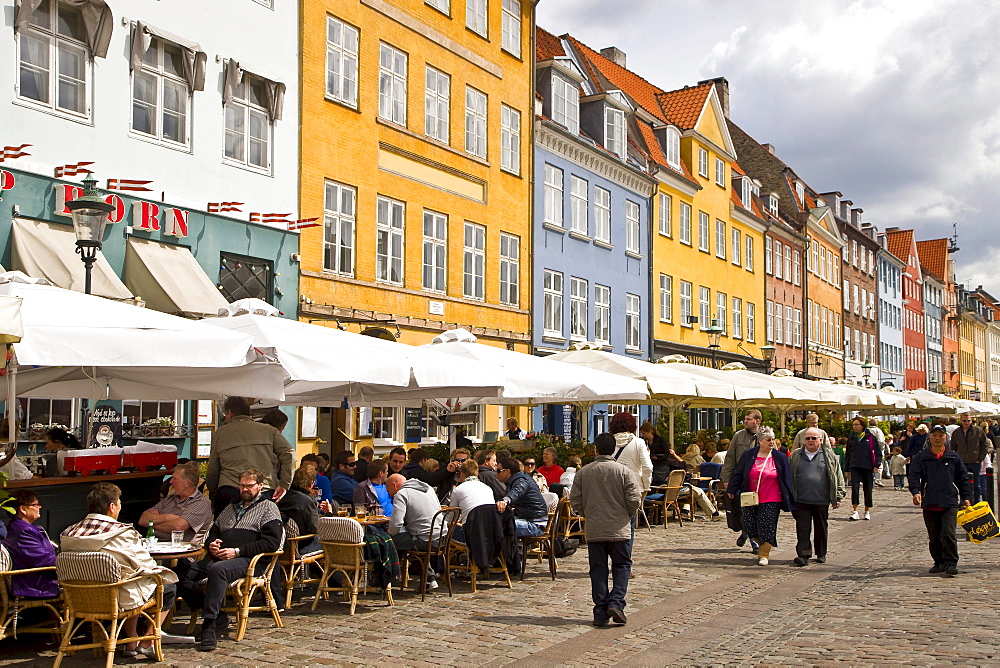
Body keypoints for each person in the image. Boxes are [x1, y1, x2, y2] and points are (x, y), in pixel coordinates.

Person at [61, 483, 178, 658]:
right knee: (166, 585)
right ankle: (148, 641)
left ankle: (131, 641)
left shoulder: (69, 533)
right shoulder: (121, 533)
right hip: (117, 599)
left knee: (130, 577)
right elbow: (146, 565)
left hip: (79, 599)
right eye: (119, 503)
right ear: (112, 507)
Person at [181, 468, 283, 652]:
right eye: (242, 485)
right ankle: (218, 615)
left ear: (260, 486)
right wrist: (212, 544)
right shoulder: (231, 506)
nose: (245, 489)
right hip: (219, 556)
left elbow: (272, 543)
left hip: (249, 561)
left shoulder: (268, 508)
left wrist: (237, 551)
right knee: (182, 572)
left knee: (218, 570)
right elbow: (214, 532)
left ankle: (208, 625)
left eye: (250, 486)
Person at [570, 432, 641, 627]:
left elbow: (575, 500)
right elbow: (634, 499)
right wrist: (627, 514)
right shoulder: (624, 471)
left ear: (596, 449)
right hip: (619, 528)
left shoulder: (584, 472)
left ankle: (600, 610)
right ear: (614, 450)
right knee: (622, 566)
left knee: (598, 569)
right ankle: (616, 602)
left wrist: (588, 512)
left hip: (595, 528)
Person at [207, 396, 293, 515]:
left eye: (225, 415)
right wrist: (284, 484)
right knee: (262, 529)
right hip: (263, 490)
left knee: (225, 530)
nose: (225, 419)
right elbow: (289, 453)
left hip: (231, 490)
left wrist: (214, 494)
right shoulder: (268, 430)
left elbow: (213, 469)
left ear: (230, 413)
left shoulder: (221, 433)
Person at [909, 425, 972, 576]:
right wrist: (916, 492)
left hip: (949, 501)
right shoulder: (921, 457)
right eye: (934, 435)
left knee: (948, 533)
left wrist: (966, 498)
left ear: (945, 437)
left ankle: (951, 562)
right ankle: (939, 562)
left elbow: (963, 478)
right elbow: (913, 476)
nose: (937, 438)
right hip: (930, 501)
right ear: (930, 437)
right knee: (934, 536)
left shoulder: (953, 457)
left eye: (940, 435)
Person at [727, 427, 793, 566]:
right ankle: (762, 543)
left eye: (773, 439)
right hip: (751, 496)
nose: (771, 442)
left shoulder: (779, 457)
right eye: (768, 440)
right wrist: (732, 488)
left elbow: (787, 477)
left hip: (772, 498)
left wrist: (790, 495)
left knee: (767, 526)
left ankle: (764, 554)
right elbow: (739, 472)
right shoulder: (749, 455)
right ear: (760, 441)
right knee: (748, 524)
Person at [789, 428, 845, 566]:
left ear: (821, 440)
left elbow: (837, 475)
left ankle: (821, 553)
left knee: (821, 527)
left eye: (814, 438)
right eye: (808, 438)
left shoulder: (828, 455)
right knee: (802, 528)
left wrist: (838, 495)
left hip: (821, 499)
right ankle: (803, 555)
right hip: (801, 498)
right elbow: (788, 475)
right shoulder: (796, 455)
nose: (810, 441)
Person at [138, 462, 213, 544]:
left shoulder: (200, 503)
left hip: (180, 550)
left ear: (187, 483)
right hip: (154, 544)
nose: (170, 481)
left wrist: (152, 523)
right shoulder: (170, 498)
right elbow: (142, 519)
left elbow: (178, 527)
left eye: (175, 478)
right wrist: (168, 517)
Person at [2, 490, 58, 598]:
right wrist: (67, 563)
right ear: (23, 509)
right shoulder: (23, 531)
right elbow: (42, 559)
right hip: (35, 587)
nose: (39, 507)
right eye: (35, 504)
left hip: (38, 582)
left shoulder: (22, 528)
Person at [721, 410, 762, 549]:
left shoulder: (765, 436)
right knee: (744, 510)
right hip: (742, 481)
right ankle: (753, 540)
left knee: (757, 511)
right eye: (745, 419)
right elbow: (730, 458)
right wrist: (727, 479)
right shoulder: (738, 436)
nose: (745, 421)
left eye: (748, 419)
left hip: (760, 481)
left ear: (757, 421)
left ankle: (746, 533)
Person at [385, 473, 444, 553]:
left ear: (394, 485)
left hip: (424, 540)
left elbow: (396, 525)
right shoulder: (429, 489)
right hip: (441, 538)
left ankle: (394, 565)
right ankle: (416, 564)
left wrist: (388, 532)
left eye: (389, 491)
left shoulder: (402, 493)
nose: (390, 495)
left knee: (384, 540)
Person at [496, 458, 549, 537]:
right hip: (526, 519)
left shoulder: (521, 480)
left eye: (498, 471)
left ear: (507, 471)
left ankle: (501, 549)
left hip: (535, 525)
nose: (496, 474)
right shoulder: (514, 480)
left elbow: (517, 491)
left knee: (497, 525)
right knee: (497, 522)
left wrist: (505, 501)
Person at [846, 416, 881, 521]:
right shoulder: (851, 437)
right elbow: (847, 454)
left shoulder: (870, 437)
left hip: (867, 466)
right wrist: (846, 469)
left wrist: (877, 465)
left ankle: (867, 510)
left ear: (862, 426)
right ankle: (855, 511)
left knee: (868, 489)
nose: (855, 427)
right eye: (853, 425)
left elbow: (878, 452)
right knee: (855, 489)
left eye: (857, 425)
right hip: (854, 465)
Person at [950, 413, 989, 505]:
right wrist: (956, 459)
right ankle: (964, 501)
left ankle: (976, 501)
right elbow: (953, 447)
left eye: (968, 420)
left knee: (976, 484)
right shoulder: (957, 432)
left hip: (975, 461)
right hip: (962, 461)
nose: (966, 422)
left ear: (971, 421)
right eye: (964, 420)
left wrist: (980, 458)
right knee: (962, 482)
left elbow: (985, 444)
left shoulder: (978, 430)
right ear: (961, 421)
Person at [609, 412, 653, 493]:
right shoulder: (639, 442)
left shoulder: (609, 442)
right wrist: (646, 486)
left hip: (613, 487)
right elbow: (648, 467)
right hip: (635, 486)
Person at [449, 459, 497, 528]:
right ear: (477, 473)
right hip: (490, 529)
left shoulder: (458, 490)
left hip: (470, 530)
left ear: (462, 474)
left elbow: (452, 516)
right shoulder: (488, 488)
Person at [639, 421, 670, 486]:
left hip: (661, 465)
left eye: (644, 433)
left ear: (650, 432)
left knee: (657, 483)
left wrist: (658, 458)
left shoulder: (660, 440)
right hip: (652, 465)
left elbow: (667, 453)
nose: (643, 435)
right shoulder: (644, 441)